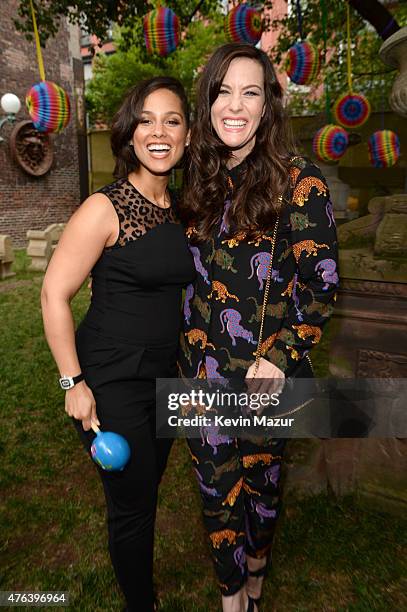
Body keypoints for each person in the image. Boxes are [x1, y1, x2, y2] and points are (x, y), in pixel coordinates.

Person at [178, 43, 339, 612]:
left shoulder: (301, 182)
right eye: (223, 91)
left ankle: (256, 580)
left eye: (250, 92)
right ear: (208, 102)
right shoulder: (194, 187)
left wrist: (284, 356)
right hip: (200, 379)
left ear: (268, 105)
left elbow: (322, 285)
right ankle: (232, 602)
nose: (235, 105)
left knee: (261, 494)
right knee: (216, 499)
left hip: (267, 382)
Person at [41, 76, 195, 612]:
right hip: (109, 379)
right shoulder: (104, 209)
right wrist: (73, 382)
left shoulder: (181, 208)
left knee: (145, 492)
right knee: (132, 504)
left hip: (165, 377)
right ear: (130, 135)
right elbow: (53, 295)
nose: (159, 132)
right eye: (146, 121)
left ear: (188, 136)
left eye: (172, 121)